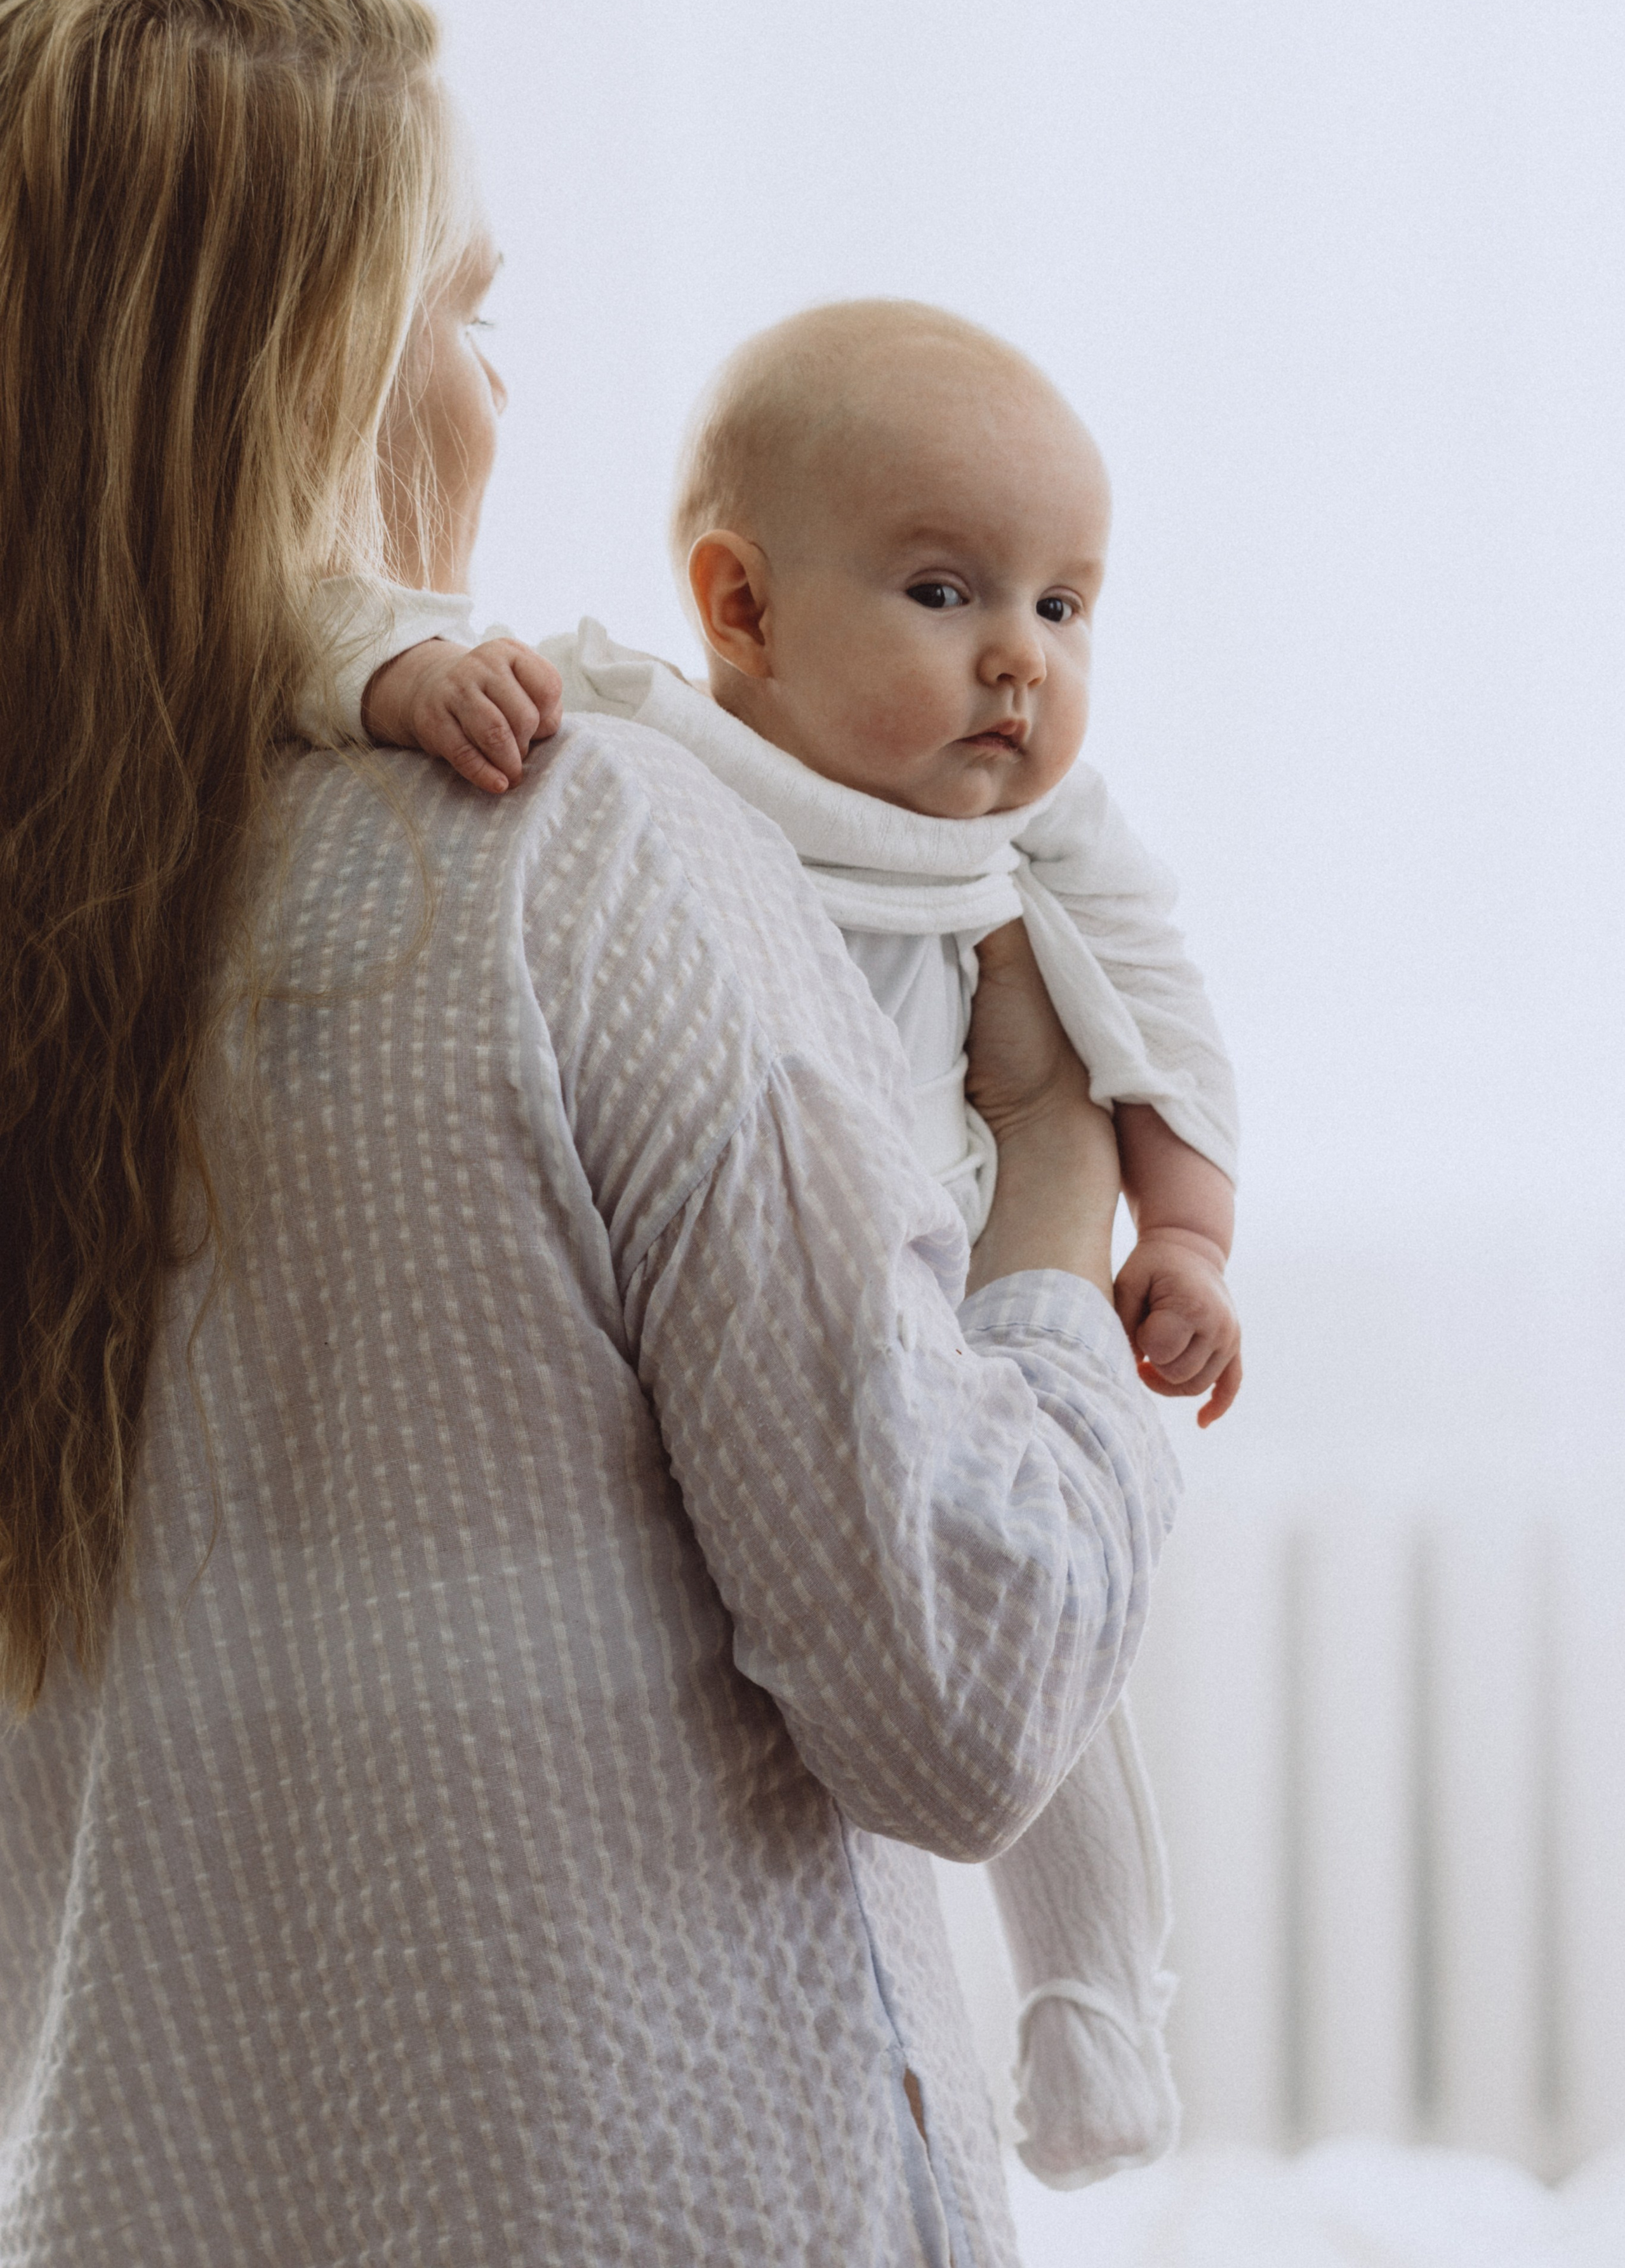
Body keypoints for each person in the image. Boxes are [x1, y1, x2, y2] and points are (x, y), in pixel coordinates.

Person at [0, 0, 1178, 2268]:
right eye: (466, 310)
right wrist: (1057, 1195)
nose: (495, 391)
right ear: (316, 373)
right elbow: (960, 1697)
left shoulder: (60, 921)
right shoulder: (575, 845)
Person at [326, 302, 1240, 2180]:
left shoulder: (1051, 835)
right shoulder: (646, 749)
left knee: (1054, 1655)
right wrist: (404, 686)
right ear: (740, 608)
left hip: (972, 1280)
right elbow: (432, 665)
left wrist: (1189, 1233)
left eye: (1066, 607)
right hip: (783, 1300)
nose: (1020, 660)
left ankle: (1092, 2012)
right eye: (944, 592)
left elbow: (1158, 1000)